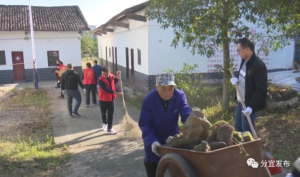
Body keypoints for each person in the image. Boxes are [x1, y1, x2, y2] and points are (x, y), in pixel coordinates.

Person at [138, 73, 192, 177]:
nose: (167, 92)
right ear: (157, 87)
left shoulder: (179, 96)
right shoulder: (148, 100)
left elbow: (185, 113)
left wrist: (193, 123)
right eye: (163, 88)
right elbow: (145, 124)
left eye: (170, 88)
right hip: (153, 143)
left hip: (173, 142)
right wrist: (152, 141)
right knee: (153, 172)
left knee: (177, 172)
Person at [230, 38, 268, 134]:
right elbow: (246, 78)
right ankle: (241, 148)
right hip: (240, 101)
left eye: (239, 50)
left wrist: (251, 106)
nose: (238, 53)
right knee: (238, 127)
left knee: (247, 131)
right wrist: (237, 80)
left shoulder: (258, 65)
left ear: (247, 49)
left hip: (249, 104)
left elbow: (261, 88)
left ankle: (250, 148)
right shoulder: (244, 61)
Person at [98, 66, 122, 135]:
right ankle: (104, 123)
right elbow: (106, 89)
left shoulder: (111, 76)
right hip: (103, 99)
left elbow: (114, 82)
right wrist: (117, 93)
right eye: (103, 74)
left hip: (111, 99)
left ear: (109, 72)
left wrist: (117, 76)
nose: (104, 76)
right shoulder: (100, 80)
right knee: (103, 112)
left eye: (106, 74)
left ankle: (110, 128)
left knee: (110, 114)